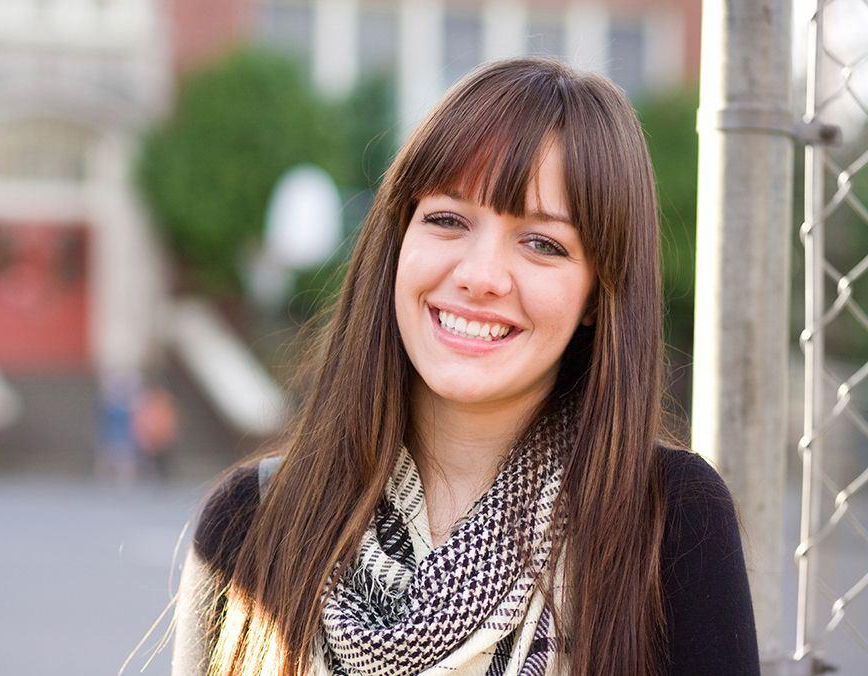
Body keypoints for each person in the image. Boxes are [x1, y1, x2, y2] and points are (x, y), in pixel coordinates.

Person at [170, 58, 758, 675]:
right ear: (398, 242)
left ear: (596, 295)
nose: (480, 276)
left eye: (543, 243)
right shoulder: (251, 522)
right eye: (448, 220)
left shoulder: (670, 521)